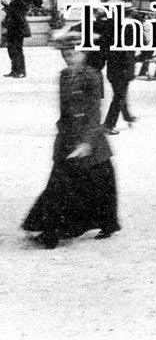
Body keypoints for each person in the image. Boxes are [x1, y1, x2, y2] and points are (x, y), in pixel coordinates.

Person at [22, 31, 120, 249]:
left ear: (84, 53)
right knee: (62, 185)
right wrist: (63, 134)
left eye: (74, 52)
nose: (69, 56)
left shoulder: (93, 76)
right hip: (68, 138)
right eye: (65, 53)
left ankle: (100, 225)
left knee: (98, 186)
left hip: (90, 142)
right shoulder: (64, 76)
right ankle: (51, 230)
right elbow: (64, 110)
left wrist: (86, 142)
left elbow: (95, 111)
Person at [102, 32, 136, 134]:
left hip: (113, 71)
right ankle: (108, 124)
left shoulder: (111, 34)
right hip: (121, 72)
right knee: (119, 97)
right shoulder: (126, 36)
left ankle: (126, 115)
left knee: (120, 95)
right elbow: (127, 57)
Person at [2, 0, 30, 78]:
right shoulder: (14, 2)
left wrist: (6, 7)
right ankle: (14, 71)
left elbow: (17, 16)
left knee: (17, 51)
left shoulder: (20, 3)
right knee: (12, 51)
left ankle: (21, 71)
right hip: (12, 31)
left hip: (18, 31)